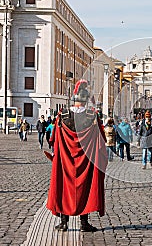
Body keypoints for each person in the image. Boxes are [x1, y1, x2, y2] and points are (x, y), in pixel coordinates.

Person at [46, 79, 107, 232]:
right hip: (86, 161)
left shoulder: (62, 115)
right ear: (86, 100)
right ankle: (84, 223)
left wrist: (56, 154)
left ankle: (64, 222)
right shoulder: (92, 116)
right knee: (85, 188)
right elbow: (101, 140)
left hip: (65, 160)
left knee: (63, 187)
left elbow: (54, 139)